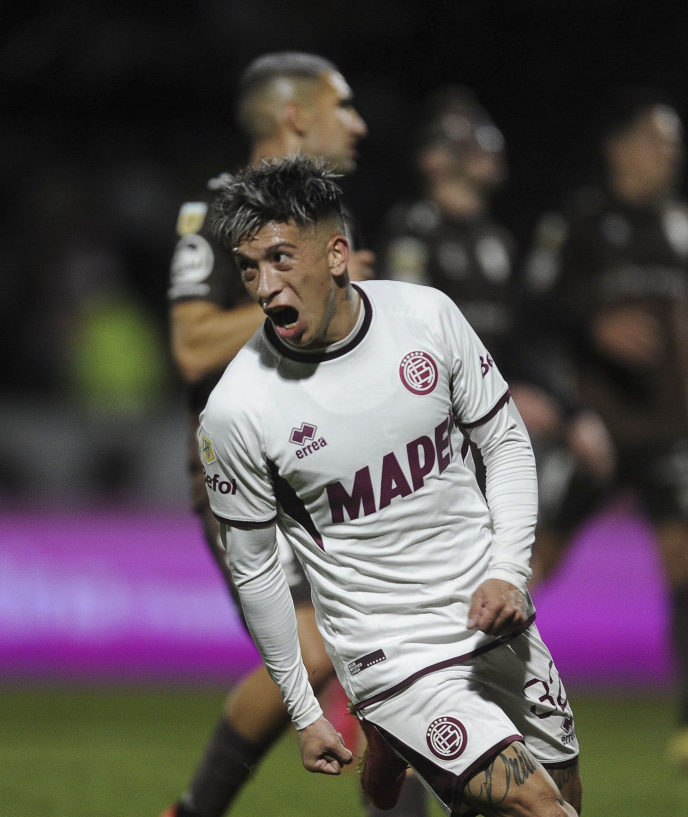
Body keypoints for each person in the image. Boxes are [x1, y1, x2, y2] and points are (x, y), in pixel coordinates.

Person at [198, 154, 582, 817]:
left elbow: (506, 440)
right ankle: (389, 724)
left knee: (568, 790)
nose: (265, 286)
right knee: (544, 809)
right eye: (250, 268)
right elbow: (256, 569)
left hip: (490, 616)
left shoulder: (427, 318)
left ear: (338, 254)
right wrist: (303, 707)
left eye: (281, 260)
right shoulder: (239, 407)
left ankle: (390, 750)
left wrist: (508, 572)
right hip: (391, 653)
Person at [164, 53, 428, 817]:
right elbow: (190, 344)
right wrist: (301, 289)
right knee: (319, 653)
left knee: (375, 650)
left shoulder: (325, 219)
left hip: (328, 467)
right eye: (342, 106)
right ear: (295, 117)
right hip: (247, 473)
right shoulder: (213, 213)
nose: (359, 123)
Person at [521, 88, 688, 783]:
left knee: (683, 558)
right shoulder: (582, 224)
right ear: (619, 147)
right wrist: (594, 330)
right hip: (602, 428)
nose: (669, 154)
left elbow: (679, 319)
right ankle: (451, 687)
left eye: (674, 142)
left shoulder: (684, 224)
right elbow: (534, 308)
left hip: (672, 425)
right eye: (656, 139)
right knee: (538, 563)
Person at [379, 86, 613, 491]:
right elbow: (411, 344)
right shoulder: (411, 232)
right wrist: (495, 402)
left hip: (487, 416)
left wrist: (570, 411)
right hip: (431, 426)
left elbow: (512, 340)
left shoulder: (496, 243)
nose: (482, 146)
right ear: (433, 159)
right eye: (462, 139)